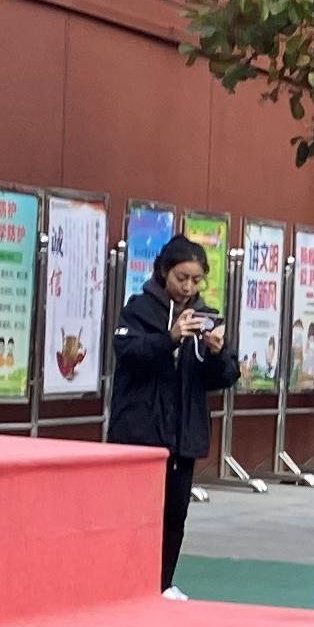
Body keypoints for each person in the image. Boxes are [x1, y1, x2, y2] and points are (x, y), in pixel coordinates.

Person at [110, 232, 238, 593]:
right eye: (182, 277)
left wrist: (216, 352)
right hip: (141, 432)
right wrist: (170, 337)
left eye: (196, 280)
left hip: (184, 434)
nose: (188, 286)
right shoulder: (138, 309)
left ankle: (163, 584)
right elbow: (129, 355)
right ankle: (127, 583)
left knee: (175, 515)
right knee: (136, 515)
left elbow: (225, 377)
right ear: (164, 272)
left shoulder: (207, 317)